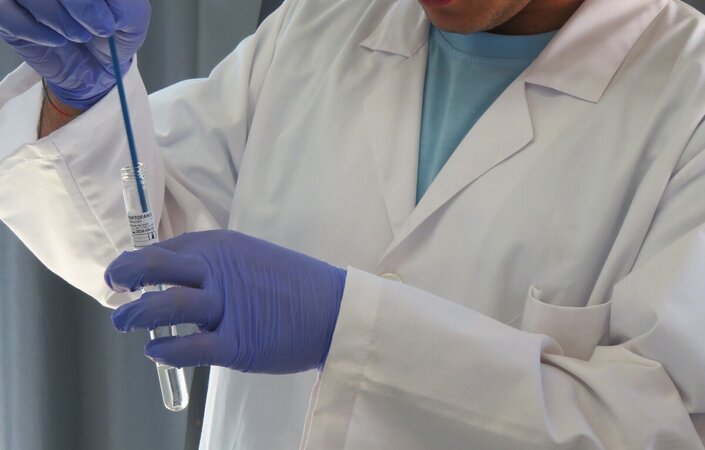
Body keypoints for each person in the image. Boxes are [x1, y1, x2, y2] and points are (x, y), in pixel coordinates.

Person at [1, 0, 705, 448]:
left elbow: (658, 430)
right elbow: (144, 251)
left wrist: (348, 327)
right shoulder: (321, 24)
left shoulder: (687, 101)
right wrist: (81, 101)